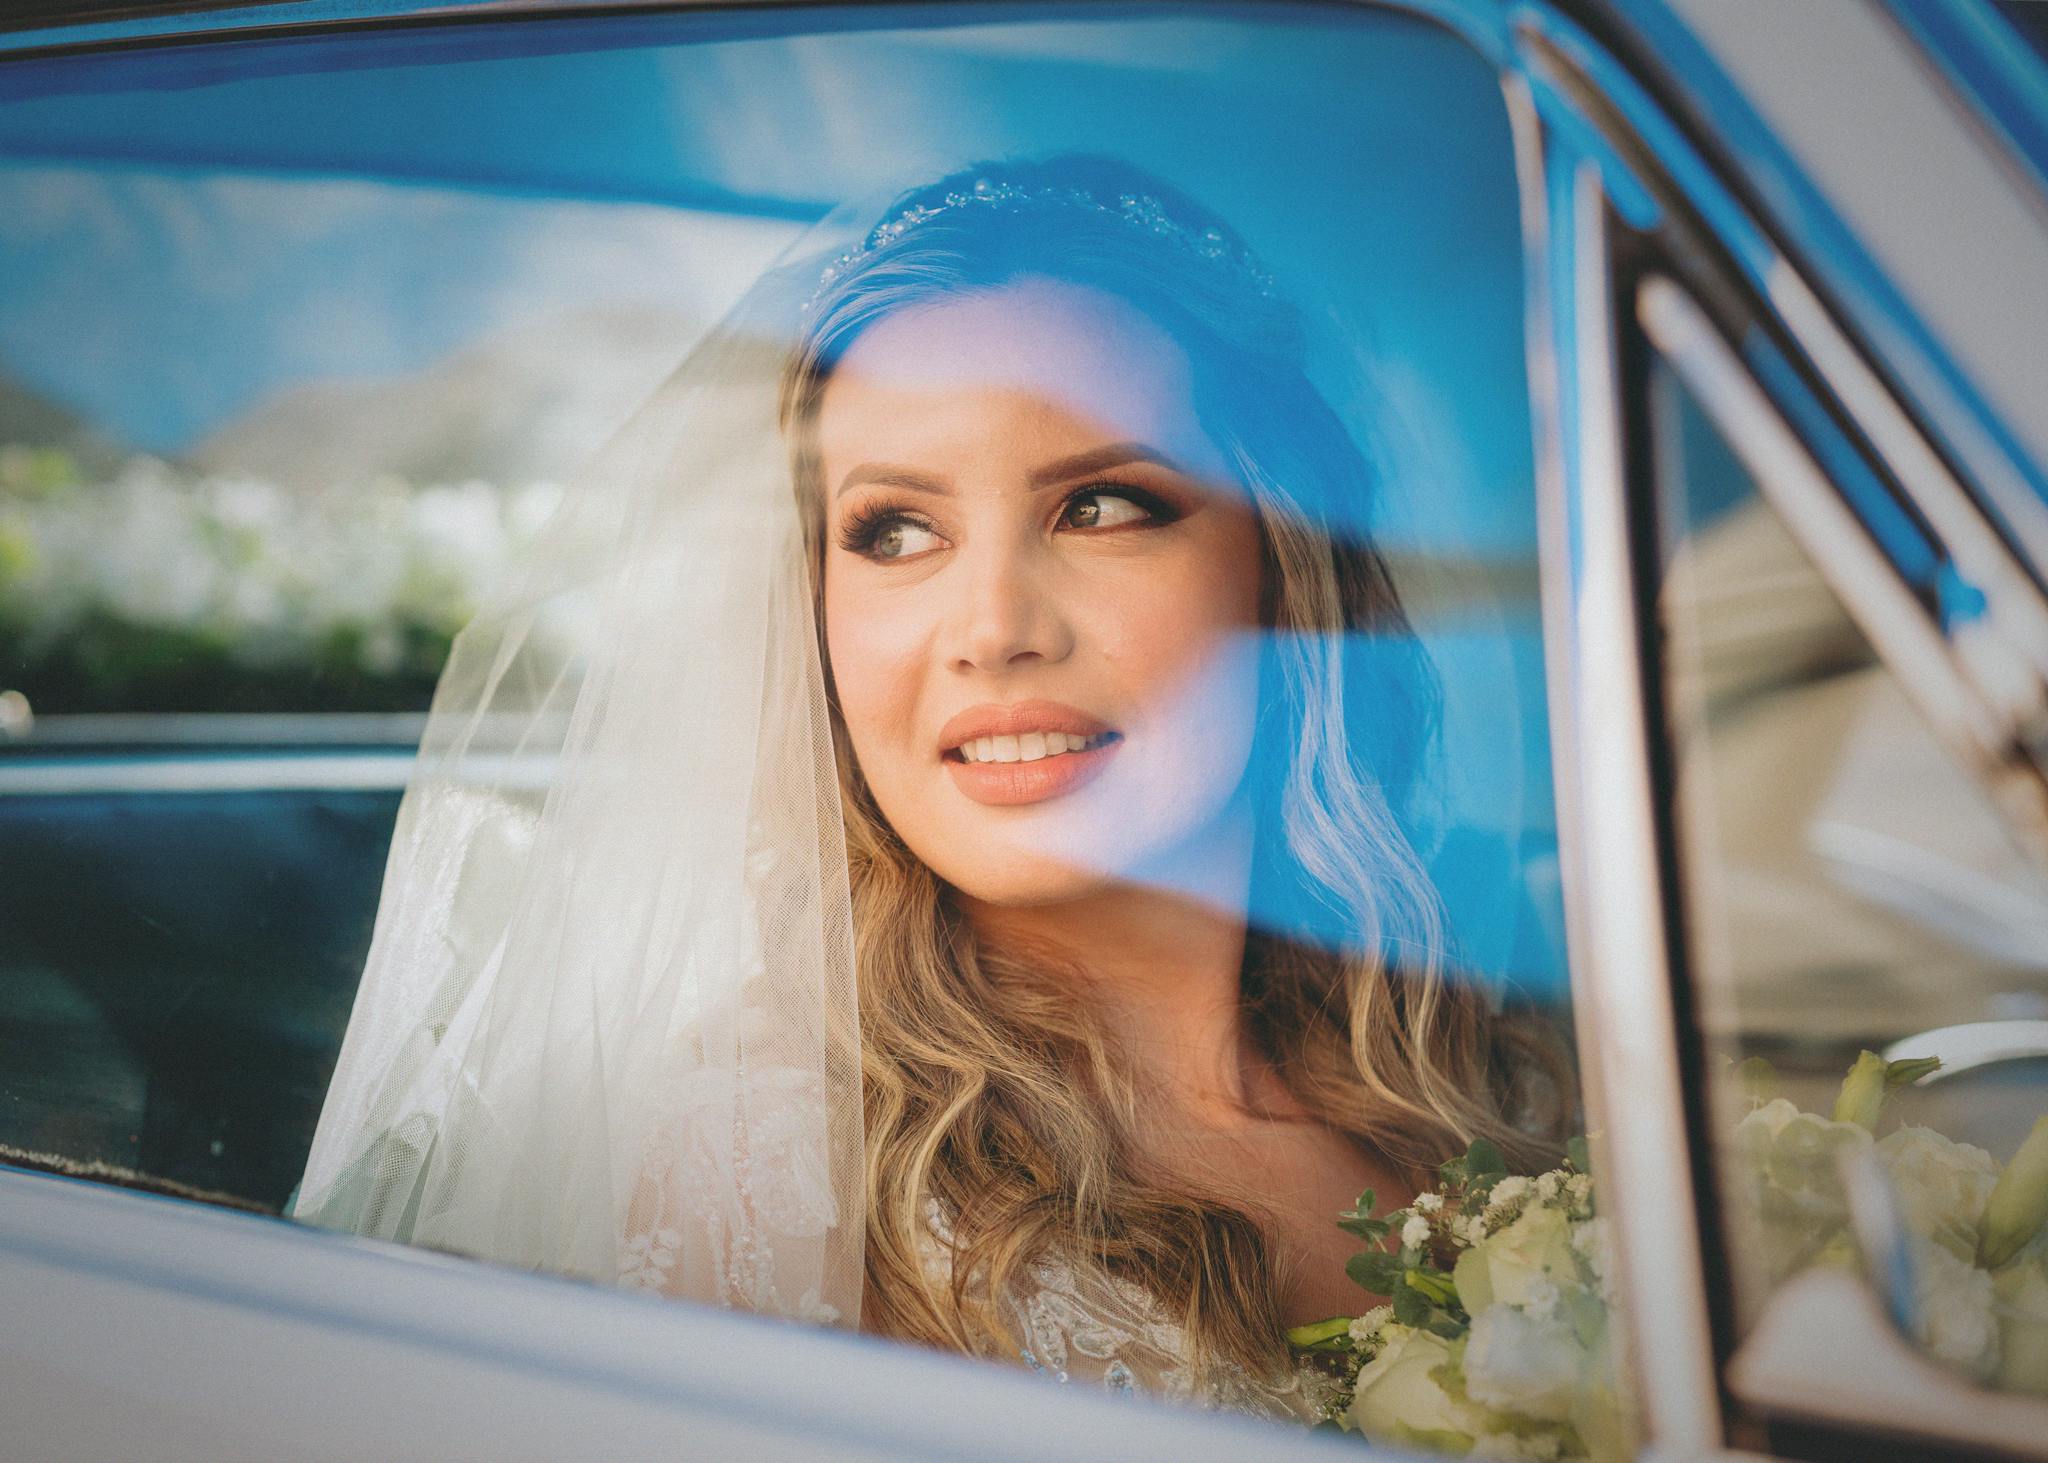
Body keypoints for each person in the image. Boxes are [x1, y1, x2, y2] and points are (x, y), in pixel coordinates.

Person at [294, 154, 1569, 1422]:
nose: (992, 627)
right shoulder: (770, 1179)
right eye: (894, 532)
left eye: (1101, 505)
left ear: (1284, 570)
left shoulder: (1495, 1075)